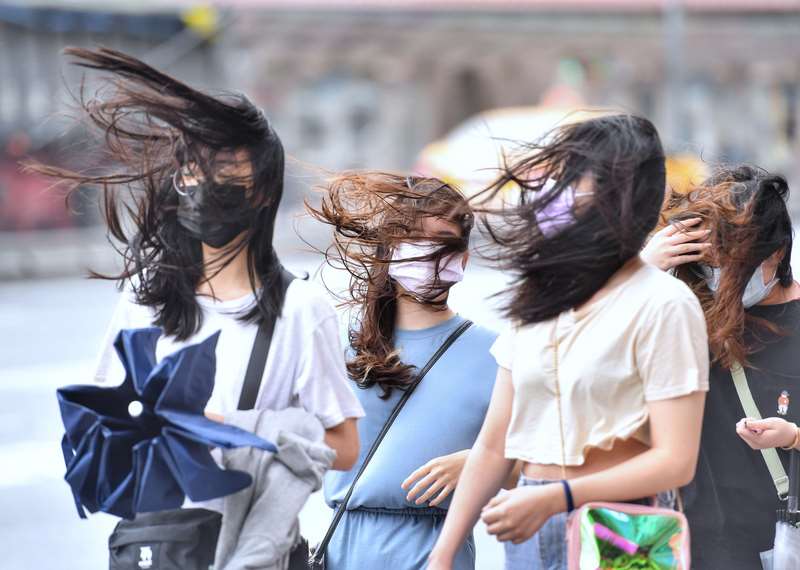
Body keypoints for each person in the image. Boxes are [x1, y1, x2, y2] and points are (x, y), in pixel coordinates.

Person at [32, 48, 363, 470]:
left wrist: (236, 429)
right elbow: (107, 415)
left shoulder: (300, 311)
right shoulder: (145, 296)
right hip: (156, 531)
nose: (204, 183)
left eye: (223, 169)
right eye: (192, 170)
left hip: (248, 533)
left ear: (261, 189)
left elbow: (346, 448)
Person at [427, 114, 710, 570]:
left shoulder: (663, 303)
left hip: (625, 527)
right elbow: (494, 446)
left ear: (615, 196)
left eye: (568, 176)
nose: (549, 190)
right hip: (529, 525)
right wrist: (442, 555)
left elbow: (676, 461)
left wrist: (559, 498)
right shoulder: (539, 299)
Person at [307, 172, 504, 569]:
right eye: (415, 239)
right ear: (389, 249)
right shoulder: (339, 339)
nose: (428, 254)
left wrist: (480, 461)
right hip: (342, 547)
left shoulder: (496, 353)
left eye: (443, 243)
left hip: (435, 551)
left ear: (463, 259)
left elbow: (544, 459)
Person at [643, 165, 800, 568]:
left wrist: (793, 437)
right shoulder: (679, 312)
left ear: (777, 252)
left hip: (779, 546)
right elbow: (583, 372)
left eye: (731, 264)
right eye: (707, 263)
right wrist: (641, 274)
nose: (719, 278)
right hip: (692, 546)